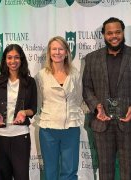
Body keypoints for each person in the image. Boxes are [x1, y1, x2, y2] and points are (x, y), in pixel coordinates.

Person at [82, 17, 131, 180]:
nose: (114, 36)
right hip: (102, 122)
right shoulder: (92, 58)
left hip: (129, 122)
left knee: (129, 171)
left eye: (118, 32)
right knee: (105, 172)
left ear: (123, 32)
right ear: (104, 35)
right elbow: (87, 88)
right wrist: (97, 106)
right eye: (110, 33)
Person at [0, 44, 37, 180]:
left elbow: (33, 109)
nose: (13, 61)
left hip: (21, 136)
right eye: (9, 57)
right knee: (1, 176)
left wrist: (24, 112)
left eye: (16, 57)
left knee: (22, 176)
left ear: (22, 59)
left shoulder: (29, 82)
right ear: (5, 60)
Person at [35, 36, 84, 180]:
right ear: (49, 53)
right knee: (50, 171)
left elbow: (79, 98)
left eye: (61, 49)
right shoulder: (41, 76)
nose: (57, 52)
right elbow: (39, 101)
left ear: (67, 52)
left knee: (70, 171)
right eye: (54, 49)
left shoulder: (75, 74)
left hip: (71, 127)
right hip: (48, 129)